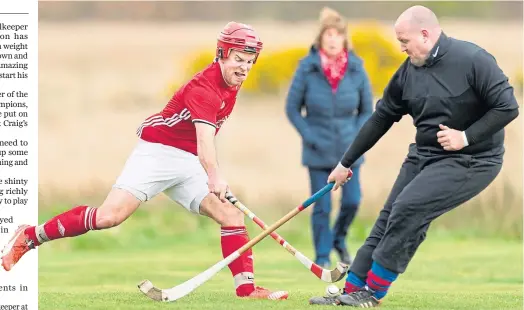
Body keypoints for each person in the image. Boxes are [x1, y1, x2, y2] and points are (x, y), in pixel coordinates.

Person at [1, 22, 290, 301]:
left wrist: (209, 174)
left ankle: (247, 290)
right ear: (222, 54)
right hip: (158, 153)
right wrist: (214, 176)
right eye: (239, 59)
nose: (244, 68)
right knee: (108, 217)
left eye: (250, 62)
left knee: (231, 215)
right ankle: (30, 235)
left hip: (189, 161)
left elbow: (200, 145)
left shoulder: (232, 84)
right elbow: (205, 142)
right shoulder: (205, 88)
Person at [308, 5, 519, 307]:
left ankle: (373, 293)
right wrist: (345, 163)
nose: (401, 48)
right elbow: (380, 119)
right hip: (423, 156)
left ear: (425, 34)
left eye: (404, 41)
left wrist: (465, 137)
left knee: (409, 208)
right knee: (388, 216)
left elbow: (508, 107)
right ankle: (352, 289)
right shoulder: (407, 73)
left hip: (474, 160)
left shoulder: (473, 59)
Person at [285, 7, 373, 269]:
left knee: (352, 201)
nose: (333, 39)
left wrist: (356, 138)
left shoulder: (357, 69)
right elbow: (292, 109)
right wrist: (309, 136)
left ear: (345, 39)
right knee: (321, 207)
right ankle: (322, 256)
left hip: (350, 151)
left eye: (338, 35)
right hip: (318, 150)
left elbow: (367, 110)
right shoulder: (307, 69)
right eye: (328, 34)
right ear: (320, 39)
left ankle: (339, 239)